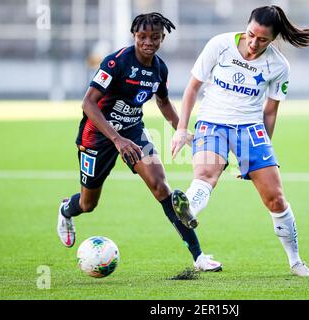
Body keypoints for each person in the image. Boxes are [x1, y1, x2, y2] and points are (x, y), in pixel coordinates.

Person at [57, 12, 222, 272]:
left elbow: (163, 101)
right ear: (134, 36)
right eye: (142, 36)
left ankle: (199, 257)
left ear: (162, 38)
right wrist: (117, 139)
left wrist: (181, 129)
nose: (148, 42)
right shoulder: (116, 63)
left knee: (161, 188)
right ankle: (67, 209)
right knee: (88, 204)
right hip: (98, 136)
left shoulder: (159, 68)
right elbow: (88, 103)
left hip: (133, 132)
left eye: (154, 37)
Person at [171, 6, 309, 277]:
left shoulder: (278, 66)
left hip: (250, 130)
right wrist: (182, 128)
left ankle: (296, 261)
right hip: (212, 122)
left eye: (262, 39)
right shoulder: (220, 45)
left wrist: (258, 155)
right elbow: (192, 86)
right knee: (205, 174)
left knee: (275, 199)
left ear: (273, 39)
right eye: (251, 35)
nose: (253, 43)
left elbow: (271, 111)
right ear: (246, 26)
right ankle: (189, 208)